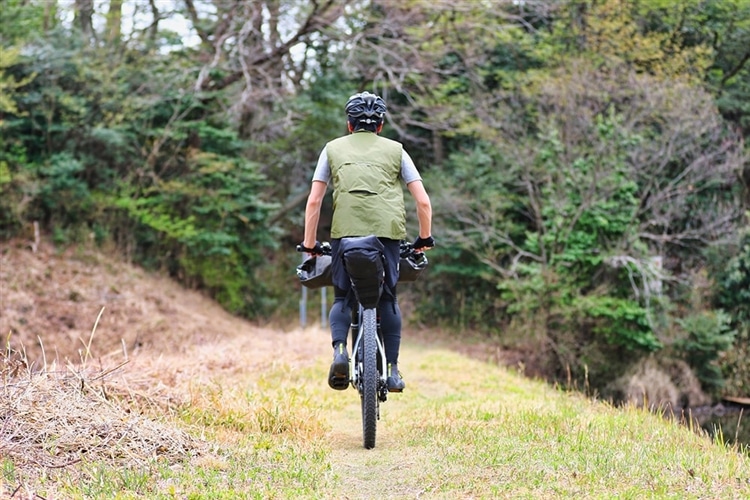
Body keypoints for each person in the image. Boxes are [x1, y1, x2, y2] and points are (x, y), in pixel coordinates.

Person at [300, 90, 434, 392]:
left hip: (344, 233)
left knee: (342, 297)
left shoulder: (332, 149)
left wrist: (310, 245)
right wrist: (423, 238)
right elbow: (423, 202)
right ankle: (394, 371)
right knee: (388, 297)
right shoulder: (397, 150)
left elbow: (314, 202)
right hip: (387, 233)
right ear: (381, 125)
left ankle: (339, 352)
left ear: (349, 124)